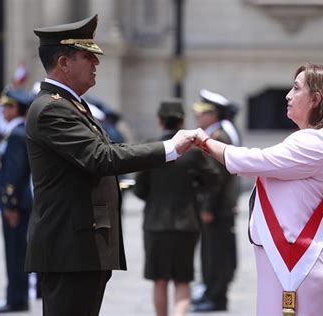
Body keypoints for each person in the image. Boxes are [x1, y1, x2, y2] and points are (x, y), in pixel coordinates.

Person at [25, 14, 197, 316]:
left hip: (83, 246)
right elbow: (101, 158)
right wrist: (168, 147)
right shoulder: (52, 110)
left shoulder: (70, 105)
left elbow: (108, 149)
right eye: (87, 56)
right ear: (64, 63)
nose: (97, 63)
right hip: (70, 248)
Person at [193, 63, 323, 316]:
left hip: (297, 264)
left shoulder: (315, 141)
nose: (288, 95)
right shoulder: (314, 138)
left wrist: (201, 140)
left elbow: (251, 161)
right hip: (287, 261)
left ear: (316, 99)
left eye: (296, 88)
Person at [134, 99, 219, 316]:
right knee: (183, 279)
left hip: (155, 222)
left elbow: (139, 189)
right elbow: (213, 179)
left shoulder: (150, 147)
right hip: (186, 222)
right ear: (182, 122)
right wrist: (195, 187)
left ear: (160, 121)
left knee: (159, 280)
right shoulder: (192, 152)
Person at [191, 89, 239, 312]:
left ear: (214, 114)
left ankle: (216, 296)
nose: (198, 117)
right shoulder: (216, 134)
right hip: (218, 206)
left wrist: (208, 207)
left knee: (217, 254)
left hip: (218, 208)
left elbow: (217, 179)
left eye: (203, 113)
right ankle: (211, 292)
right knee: (211, 252)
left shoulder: (219, 137)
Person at [0, 89, 34, 313]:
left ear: (19, 110)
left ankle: (16, 299)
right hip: (15, 203)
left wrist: (10, 204)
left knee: (16, 253)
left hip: (16, 205)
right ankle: (15, 296)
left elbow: (15, 174)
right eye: (4, 107)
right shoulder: (14, 132)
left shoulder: (17, 134)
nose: (5, 110)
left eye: (9, 107)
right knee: (13, 252)